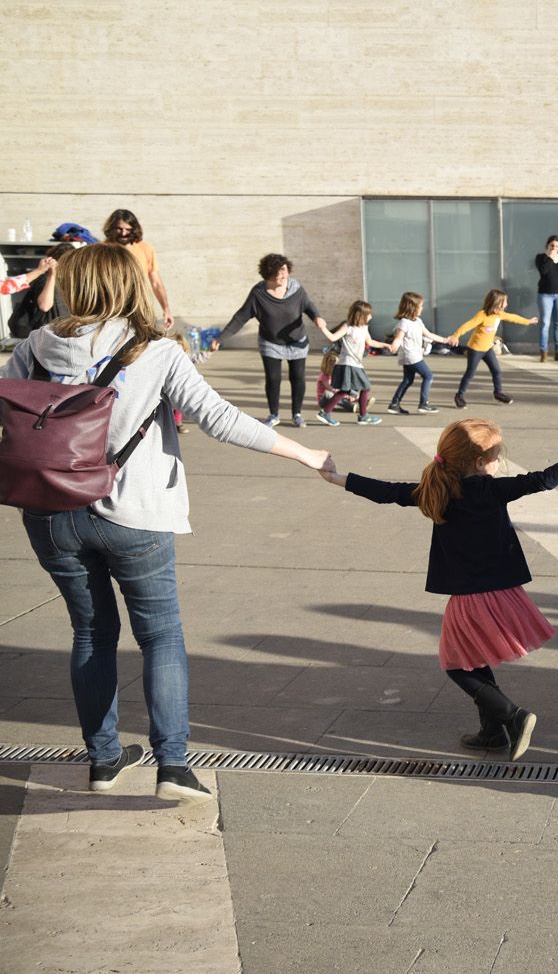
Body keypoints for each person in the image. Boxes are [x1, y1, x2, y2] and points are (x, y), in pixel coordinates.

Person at [5, 243, 331, 801]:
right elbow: (219, 419)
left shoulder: (34, 346)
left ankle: (105, 760)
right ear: (131, 285)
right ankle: (173, 766)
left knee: (90, 631)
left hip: (50, 513)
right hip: (136, 513)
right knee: (159, 635)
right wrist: (307, 455)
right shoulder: (153, 351)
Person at [321, 418, 558, 757]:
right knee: (471, 659)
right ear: (478, 462)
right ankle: (493, 731)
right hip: (500, 592)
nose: (498, 461)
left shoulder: (437, 491)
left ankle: (513, 715)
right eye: (495, 455)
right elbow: (544, 480)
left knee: (456, 664)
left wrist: (336, 478)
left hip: (469, 597)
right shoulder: (491, 490)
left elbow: (387, 492)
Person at [216, 253, 336, 428]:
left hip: (297, 340)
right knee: (273, 378)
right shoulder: (258, 294)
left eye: (285, 271)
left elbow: (308, 306)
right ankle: (273, 414)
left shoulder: (296, 289)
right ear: (268, 274)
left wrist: (317, 317)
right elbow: (240, 317)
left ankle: (297, 414)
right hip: (270, 341)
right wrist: (220, 338)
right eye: (278, 273)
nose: (283, 276)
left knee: (298, 378)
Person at [450, 290, 535, 409]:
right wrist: (456, 335)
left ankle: (498, 393)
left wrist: (528, 321)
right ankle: (459, 396)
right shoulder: (483, 315)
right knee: (470, 373)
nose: (506, 305)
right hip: (475, 349)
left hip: (488, 348)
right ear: (497, 303)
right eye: (505, 302)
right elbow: (468, 325)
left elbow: (513, 317)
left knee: (497, 371)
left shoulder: (499, 314)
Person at [317, 300, 388, 426]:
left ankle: (326, 412)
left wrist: (385, 345)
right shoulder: (348, 327)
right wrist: (322, 327)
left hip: (356, 363)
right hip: (348, 364)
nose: (371, 317)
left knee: (345, 391)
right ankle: (363, 416)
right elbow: (332, 338)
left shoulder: (364, 328)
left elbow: (370, 342)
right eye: (369, 314)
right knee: (365, 387)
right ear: (361, 315)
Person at [385, 292, 455, 415]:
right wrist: (393, 346)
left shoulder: (418, 321)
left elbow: (428, 334)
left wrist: (445, 340)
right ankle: (424, 404)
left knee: (408, 380)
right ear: (412, 307)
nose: (422, 308)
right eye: (420, 306)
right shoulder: (404, 323)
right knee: (428, 376)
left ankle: (394, 404)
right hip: (411, 355)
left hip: (413, 355)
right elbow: (398, 337)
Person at [103, 209, 172, 329]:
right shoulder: (102, 250)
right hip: (111, 308)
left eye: (128, 229)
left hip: (139, 307)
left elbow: (156, 283)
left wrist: (166, 309)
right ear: (112, 228)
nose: (123, 233)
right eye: (119, 229)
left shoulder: (145, 249)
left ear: (134, 229)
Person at [6, 247, 68, 338]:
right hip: (44, 336)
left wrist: (39, 271)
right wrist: (45, 273)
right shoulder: (45, 280)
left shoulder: (69, 280)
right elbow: (45, 306)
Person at [534, 235, 558, 363]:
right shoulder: (541, 258)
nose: (554, 248)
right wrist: (549, 257)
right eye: (552, 245)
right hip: (545, 295)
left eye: (557, 246)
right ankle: (544, 352)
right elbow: (543, 271)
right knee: (545, 323)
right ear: (548, 245)